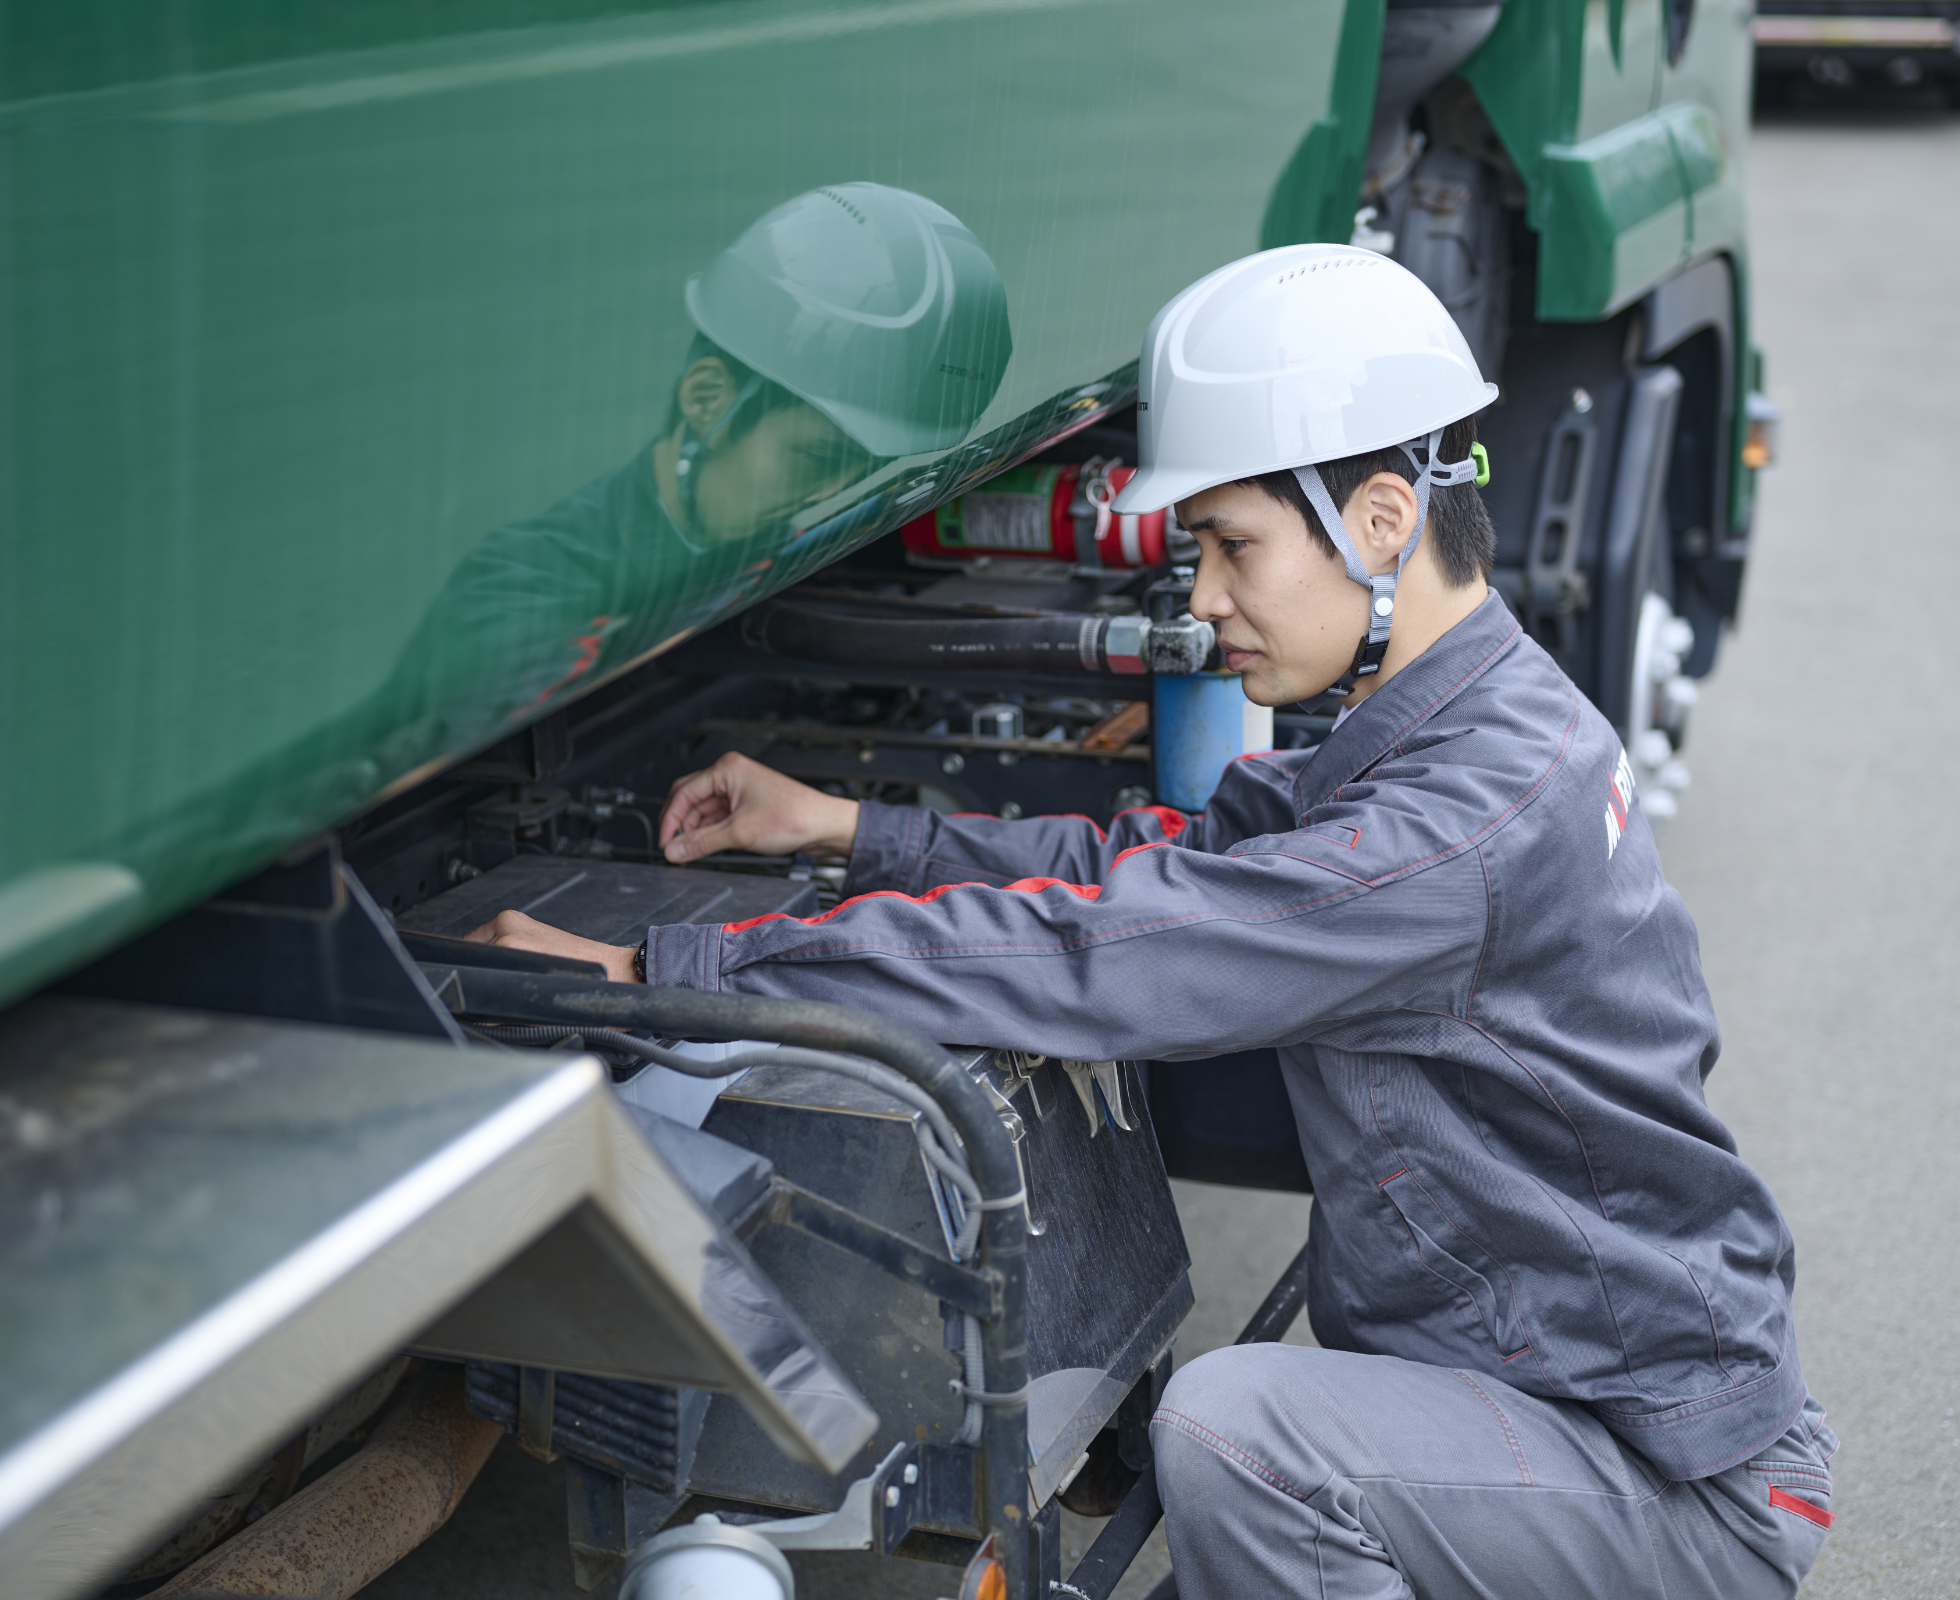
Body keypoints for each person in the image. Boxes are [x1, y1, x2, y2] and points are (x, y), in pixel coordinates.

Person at [469, 243, 1833, 1600]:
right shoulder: (1473, 724)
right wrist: (848, 828)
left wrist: (672, 973)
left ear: (1375, 522)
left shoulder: (1451, 831)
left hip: (1670, 1485)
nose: (1201, 598)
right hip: (1571, 1399)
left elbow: (1108, 952)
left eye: (1231, 543)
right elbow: (1155, 861)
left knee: (1239, 1438)